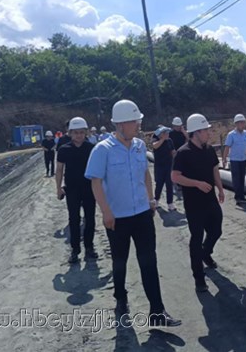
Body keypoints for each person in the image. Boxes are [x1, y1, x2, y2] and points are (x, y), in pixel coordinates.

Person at [85, 99, 181, 327]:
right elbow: (96, 182)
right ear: (121, 124)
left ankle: (157, 311)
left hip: (142, 214)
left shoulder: (138, 146)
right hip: (117, 218)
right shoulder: (103, 150)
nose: (139, 126)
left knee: (149, 261)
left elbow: (145, 174)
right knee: (120, 262)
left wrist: (151, 199)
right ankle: (120, 298)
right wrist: (106, 212)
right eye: (135, 122)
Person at [172, 114, 225, 293]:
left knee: (216, 230)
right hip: (194, 204)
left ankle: (205, 253)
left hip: (210, 199)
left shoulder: (209, 150)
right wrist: (196, 183)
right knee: (196, 238)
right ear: (195, 133)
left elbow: (215, 170)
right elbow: (175, 177)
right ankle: (199, 278)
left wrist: (220, 189)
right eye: (205, 130)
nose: (209, 133)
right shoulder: (183, 153)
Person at [56, 117, 98, 264]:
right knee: (73, 219)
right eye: (75, 132)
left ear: (86, 132)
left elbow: (97, 170)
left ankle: (89, 247)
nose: (78, 135)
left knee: (90, 218)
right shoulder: (64, 149)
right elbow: (59, 170)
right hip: (72, 189)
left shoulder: (91, 148)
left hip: (89, 189)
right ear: (70, 133)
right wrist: (58, 188)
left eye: (81, 132)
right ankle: (75, 250)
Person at [222, 114, 246, 205]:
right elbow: (227, 147)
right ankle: (238, 197)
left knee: (242, 178)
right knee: (236, 179)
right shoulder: (231, 135)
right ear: (236, 124)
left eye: (242, 122)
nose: (241, 124)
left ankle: (241, 196)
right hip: (234, 160)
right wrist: (224, 159)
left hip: (243, 160)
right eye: (239, 123)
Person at [152, 126, 176, 211]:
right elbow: (155, 146)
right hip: (159, 166)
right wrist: (162, 139)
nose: (167, 134)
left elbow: (173, 152)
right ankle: (156, 200)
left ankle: (170, 203)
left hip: (169, 166)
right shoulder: (155, 141)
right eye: (165, 133)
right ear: (161, 134)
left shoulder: (169, 141)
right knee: (159, 184)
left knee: (169, 184)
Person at [169, 117, 188, 198]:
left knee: (183, 170)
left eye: (179, 126)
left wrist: (183, 131)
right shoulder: (170, 134)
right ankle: (174, 186)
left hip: (182, 154)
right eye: (177, 126)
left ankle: (181, 185)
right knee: (174, 170)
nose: (178, 127)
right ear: (173, 126)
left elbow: (189, 139)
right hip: (173, 154)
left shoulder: (183, 133)